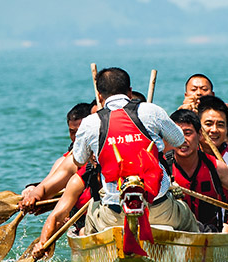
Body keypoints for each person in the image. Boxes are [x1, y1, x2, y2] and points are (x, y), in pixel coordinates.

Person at [74, 67, 198, 233]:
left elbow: (78, 160)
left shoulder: (90, 122)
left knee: (93, 210)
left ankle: (92, 254)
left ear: (100, 96)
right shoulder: (151, 110)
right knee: (185, 212)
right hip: (160, 210)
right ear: (130, 91)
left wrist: (94, 152)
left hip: (114, 215)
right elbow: (178, 140)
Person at [20, 102, 95, 209]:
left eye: (80, 132)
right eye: (72, 132)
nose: (76, 137)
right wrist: (34, 192)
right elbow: (47, 184)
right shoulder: (68, 160)